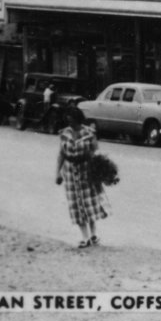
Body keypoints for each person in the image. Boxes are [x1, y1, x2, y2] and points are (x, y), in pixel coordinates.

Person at [55, 106, 109, 248]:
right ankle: (85, 237)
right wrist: (58, 173)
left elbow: (95, 151)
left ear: (78, 120)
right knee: (76, 204)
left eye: (72, 121)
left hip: (86, 172)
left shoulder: (89, 133)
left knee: (89, 203)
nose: (70, 124)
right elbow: (61, 154)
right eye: (68, 121)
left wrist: (98, 170)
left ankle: (93, 235)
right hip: (70, 173)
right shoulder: (65, 133)